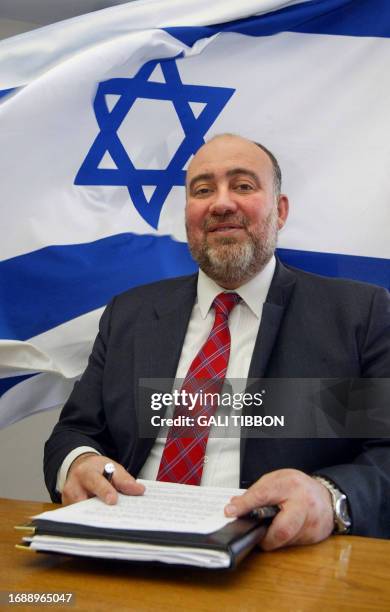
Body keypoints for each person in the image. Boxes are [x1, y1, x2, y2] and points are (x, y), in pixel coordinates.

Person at [44, 133, 390, 550]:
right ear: (188, 213)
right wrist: (79, 463)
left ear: (279, 211)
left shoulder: (356, 314)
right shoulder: (129, 314)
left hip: (277, 559)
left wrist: (329, 495)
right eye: (202, 190)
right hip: (124, 544)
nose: (221, 204)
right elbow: (75, 431)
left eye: (243, 186)